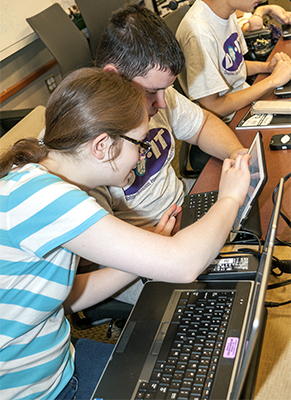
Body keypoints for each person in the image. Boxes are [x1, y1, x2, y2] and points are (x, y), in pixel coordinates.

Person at [0, 68, 250, 400]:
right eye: (140, 143)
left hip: (60, 362)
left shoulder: (41, 179)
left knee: (184, 377)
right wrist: (230, 196)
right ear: (103, 146)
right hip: (35, 392)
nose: (142, 154)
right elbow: (185, 263)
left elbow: (65, 296)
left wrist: (136, 260)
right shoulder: (50, 198)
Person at [88, 4, 249, 304]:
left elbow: (202, 124)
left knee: (253, 248)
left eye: (166, 90)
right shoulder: (88, 144)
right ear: (113, 77)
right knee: (226, 295)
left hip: (178, 215)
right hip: (136, 256)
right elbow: (104, 249)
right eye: (152, 92)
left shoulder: (155, 92)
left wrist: (237, 154)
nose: (162, 103)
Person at [176, 0, 291, 122]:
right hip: (229, 119)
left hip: (244, 102)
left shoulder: (226, 13)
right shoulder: (199, 31)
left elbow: (235, 66)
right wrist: (272, 81)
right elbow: (212, 107)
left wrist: (268, 67)